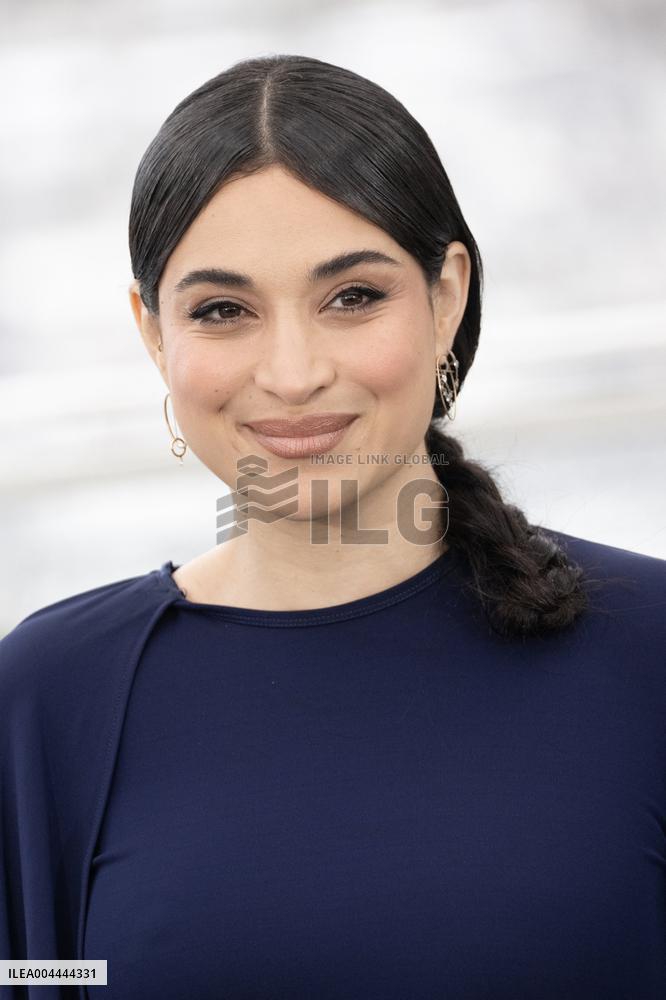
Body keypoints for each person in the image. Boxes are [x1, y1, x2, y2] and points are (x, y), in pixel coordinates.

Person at [1, 54, 665, 1000]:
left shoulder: (649, 653)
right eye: (224, 310)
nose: (293, 369)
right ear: (154, 334)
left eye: (352, 296)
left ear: (446, 297)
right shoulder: (47, 700)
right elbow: (41, 973)